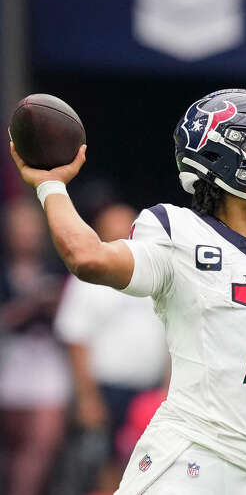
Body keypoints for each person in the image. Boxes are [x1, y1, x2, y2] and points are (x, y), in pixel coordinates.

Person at [8, 88, 246, 494]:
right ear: (217, 155)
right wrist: (51, 185)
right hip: (189, 452)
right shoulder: (177, 232)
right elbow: (87, 257)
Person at [54, 203, 168, 492]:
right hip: (106, 391)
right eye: (113, 232)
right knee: (104, 469)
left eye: (127, 231)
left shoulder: (154, 277)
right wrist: (87, 397)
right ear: (100, 234)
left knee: (149, 468)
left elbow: (174, 337)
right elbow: (75, 339)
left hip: (150, 391)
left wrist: (169, 387)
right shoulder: (88, 279)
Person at [0, 198, 71, 495]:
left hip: (48, 363)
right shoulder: (4, 273)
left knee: (42, 444)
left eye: (31, 228)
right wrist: (30, 305)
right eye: (19, 228)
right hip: (9, 361)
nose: (26, 235)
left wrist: (56, 306)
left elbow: (77, 320)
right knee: (11, 448)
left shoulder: (58, 268)